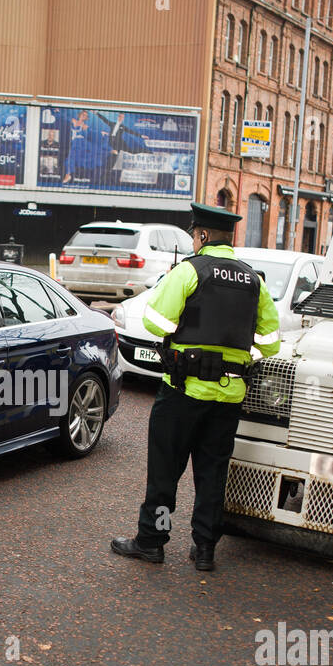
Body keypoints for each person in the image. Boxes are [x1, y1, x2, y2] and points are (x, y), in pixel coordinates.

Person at [111, 202, 281, 572]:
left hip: (183, 391)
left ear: (202, 235)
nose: (192, 240)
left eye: (193, 235)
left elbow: (156, 321)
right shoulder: (254, 280)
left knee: (164, 472)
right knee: (212, 474)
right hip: (229, 395)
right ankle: (204, 550)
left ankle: (152, 542)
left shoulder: (190, 271)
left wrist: (186, 333)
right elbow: (270, 343)